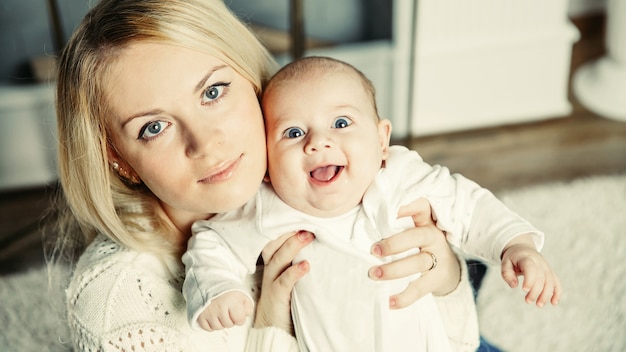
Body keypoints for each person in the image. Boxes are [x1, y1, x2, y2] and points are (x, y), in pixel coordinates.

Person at [50, 1, 475, 351]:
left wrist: (447, 278)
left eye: (213, 92)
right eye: (153, 127)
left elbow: (456, 338)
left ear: (251, 79)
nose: (206, 143)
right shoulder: (118, 308)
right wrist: (271, 322)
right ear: (118, 159)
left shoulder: (317, 168)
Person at [184, 56, 562, 351]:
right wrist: (217, 290)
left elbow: (469, 205)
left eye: (342, 123)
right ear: (267, 165)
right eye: (293, 132)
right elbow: (211, 242)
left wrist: (517, 244)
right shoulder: (268, 208)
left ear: (382, 141)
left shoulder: (399, 178)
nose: (317, 142)